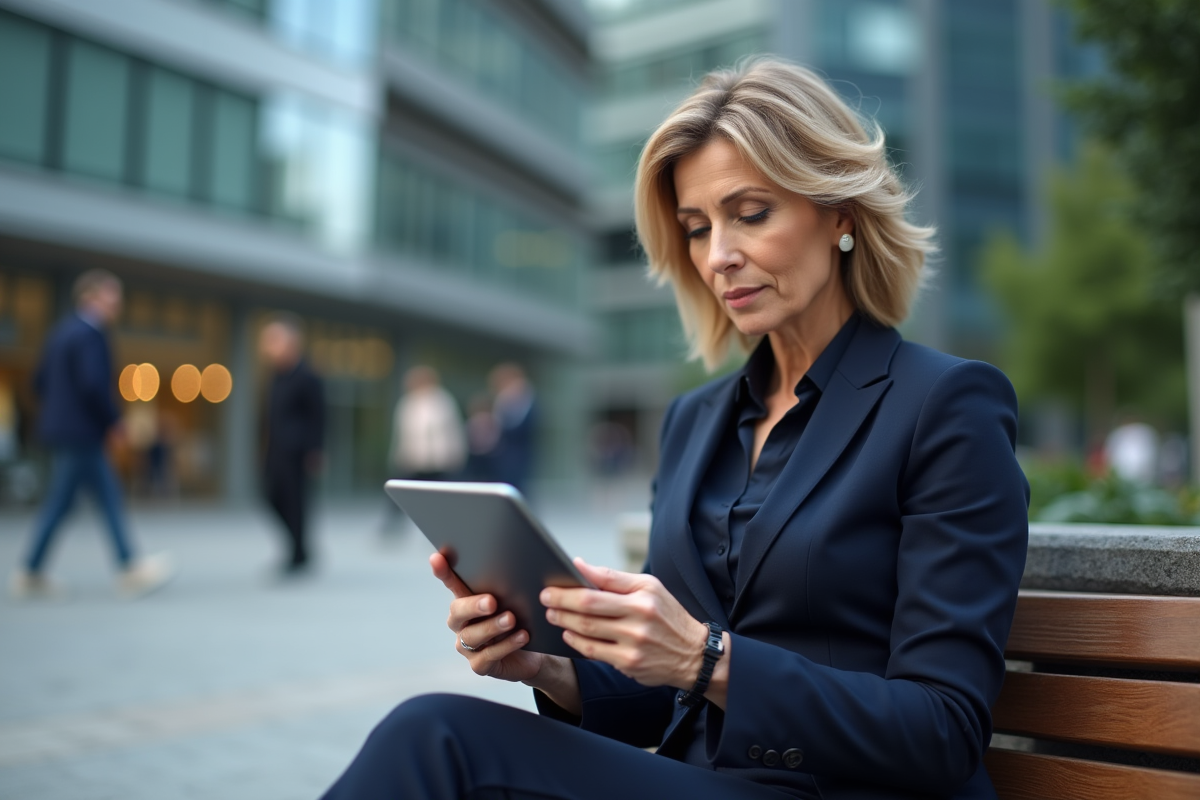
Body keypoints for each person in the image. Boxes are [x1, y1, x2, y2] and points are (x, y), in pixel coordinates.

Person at [322, 59, 1029, 800]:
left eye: (750, 213)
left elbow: (944, 727)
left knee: (437, 740)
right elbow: (668, 696)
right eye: (696, 228)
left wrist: (706, 658)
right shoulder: (698, 421)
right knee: (434, 735)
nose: (719, 255)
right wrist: (547, 668)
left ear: (840, 214)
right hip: (696, 783)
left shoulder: (946, 405)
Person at [10, 269, 174, 599]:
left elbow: (38, 383)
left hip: (62, 430)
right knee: (102, 497)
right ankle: (128, 566)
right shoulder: (91, 333)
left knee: (69, 501)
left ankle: (33, 570)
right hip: (83, 432)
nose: (119, 303)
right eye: (112, 295)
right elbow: (92, 384)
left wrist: (59, 411)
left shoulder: (60, 333)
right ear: (90, 297)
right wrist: (113, 421)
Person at [259, 314, 325, 576]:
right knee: (270, 497)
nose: (267, 346)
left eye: (273, 340)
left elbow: (319, 415)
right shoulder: (276, 376)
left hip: (298, 451)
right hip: (276, 450)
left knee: (296, 503)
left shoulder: (307, 376)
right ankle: (300, 547)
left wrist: (315, 449)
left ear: (291, 342)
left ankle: (298, 554)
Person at [381, 365, 467, 532]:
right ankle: (393, 525)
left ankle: (442, 526)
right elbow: (402, 432)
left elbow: (454, 430)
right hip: (414, 458)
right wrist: (398, 454)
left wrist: (457, 454)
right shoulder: (408, 402)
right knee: (402, 491)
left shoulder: (442, 401)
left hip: (439, 459)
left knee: (440, 495)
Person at [489, 362, 537, 493]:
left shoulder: (525, 397)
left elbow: (520, 426)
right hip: (504, 454)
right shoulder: (503, 399)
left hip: (518, 455)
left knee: (518, 487)